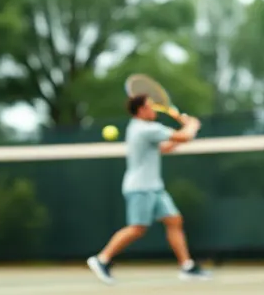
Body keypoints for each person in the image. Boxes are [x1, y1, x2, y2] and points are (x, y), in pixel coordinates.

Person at [87, 95, 211, 284]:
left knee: (174, 220)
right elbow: (185, 136)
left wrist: (185, 132)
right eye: (149, 107)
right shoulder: (146, 129)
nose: (153, 110)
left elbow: (165, 148)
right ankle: (101, 259)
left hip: (155, 187)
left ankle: (187, 267)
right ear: (140, 111)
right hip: (140, 187)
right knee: (137, 229)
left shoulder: (141, 129)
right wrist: (191, 124)